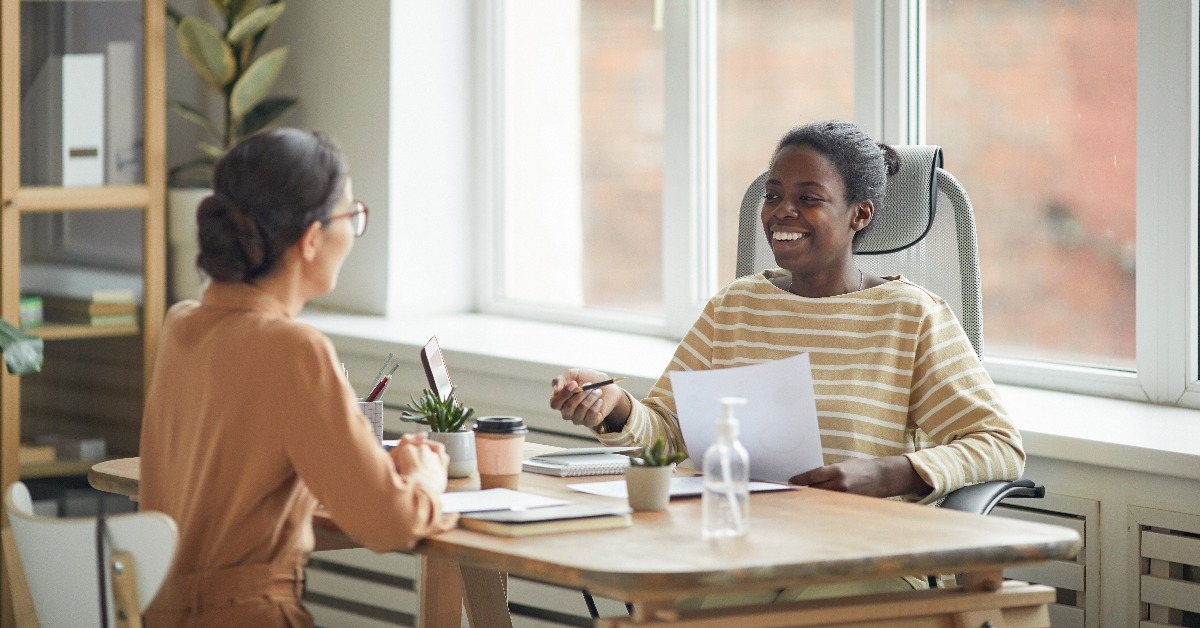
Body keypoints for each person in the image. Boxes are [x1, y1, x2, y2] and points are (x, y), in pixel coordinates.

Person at [550, 120, 1024, 505]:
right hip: (727, 538)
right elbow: (669, 435)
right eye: (774, 195)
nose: (782, 212)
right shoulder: (735, 306)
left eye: (809, 198)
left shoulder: (911, 317)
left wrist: (885, 474)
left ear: (860, 214)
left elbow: (998, 445)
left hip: (856, 554)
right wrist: (614, 407)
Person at [139, 128, 457, 627]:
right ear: (311, 240)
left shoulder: (180, 326)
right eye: (352, 214)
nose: (355, 227)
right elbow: (387, 525)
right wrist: (425, 479)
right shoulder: (293, 350)